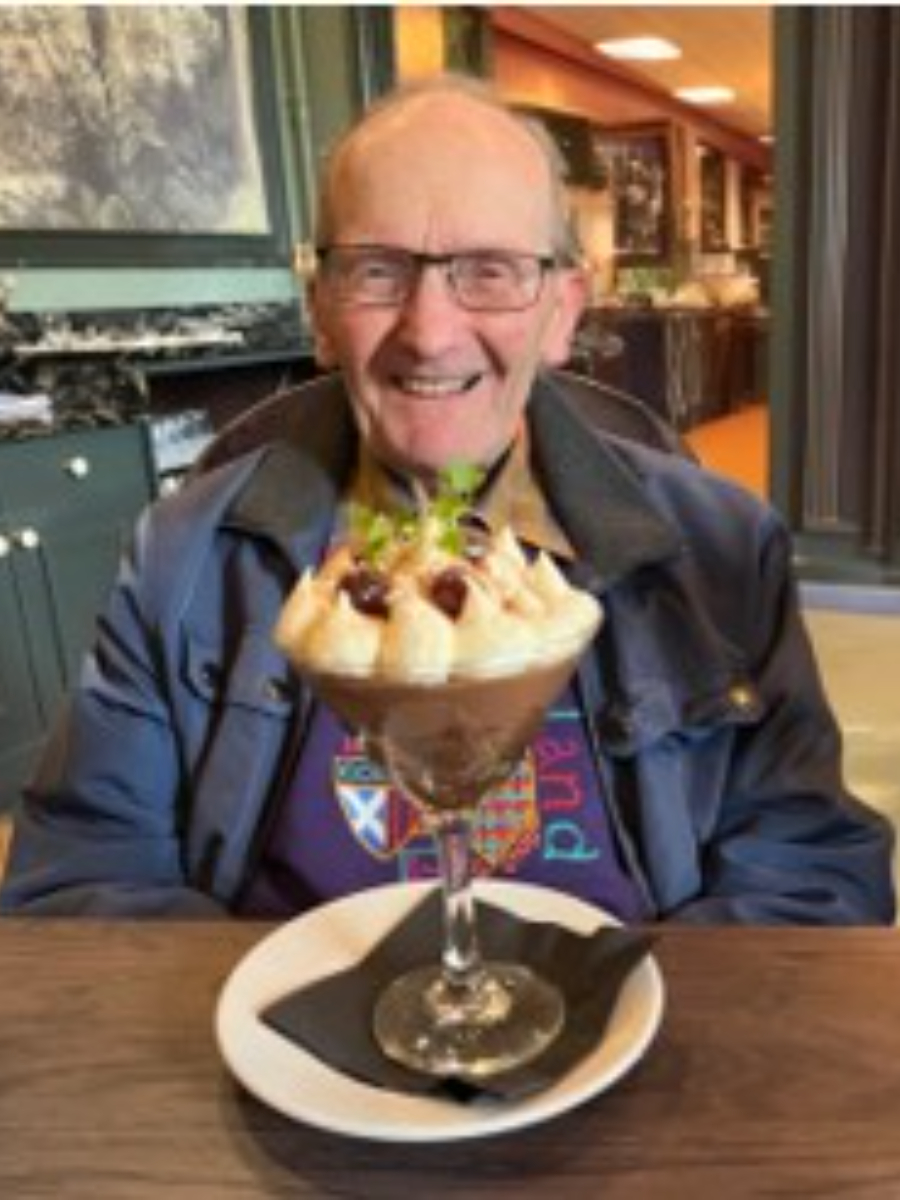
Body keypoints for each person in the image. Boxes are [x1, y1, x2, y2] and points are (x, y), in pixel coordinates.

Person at [0, 76, 894, 923]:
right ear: (320, 308)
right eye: (377, 270)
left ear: (562, 310)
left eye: (492, 270)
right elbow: (83, 876)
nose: (429, 333)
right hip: (282, 1049)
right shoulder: (179, 560)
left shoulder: (724, 554)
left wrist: (645, 1030)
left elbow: (812, 871)